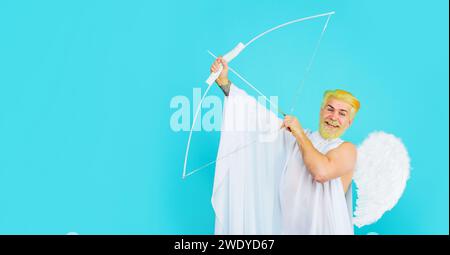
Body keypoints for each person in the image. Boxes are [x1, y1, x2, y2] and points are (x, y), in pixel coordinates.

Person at [210, 56, 360, 234]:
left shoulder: (346, 150)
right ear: (321, 111)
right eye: (330, 109)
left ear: (349, 122)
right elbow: (258, 119)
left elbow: (321, 172)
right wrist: (225, 83)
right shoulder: (300, 138)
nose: (334, 117)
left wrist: (299, 133)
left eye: (342, 113)